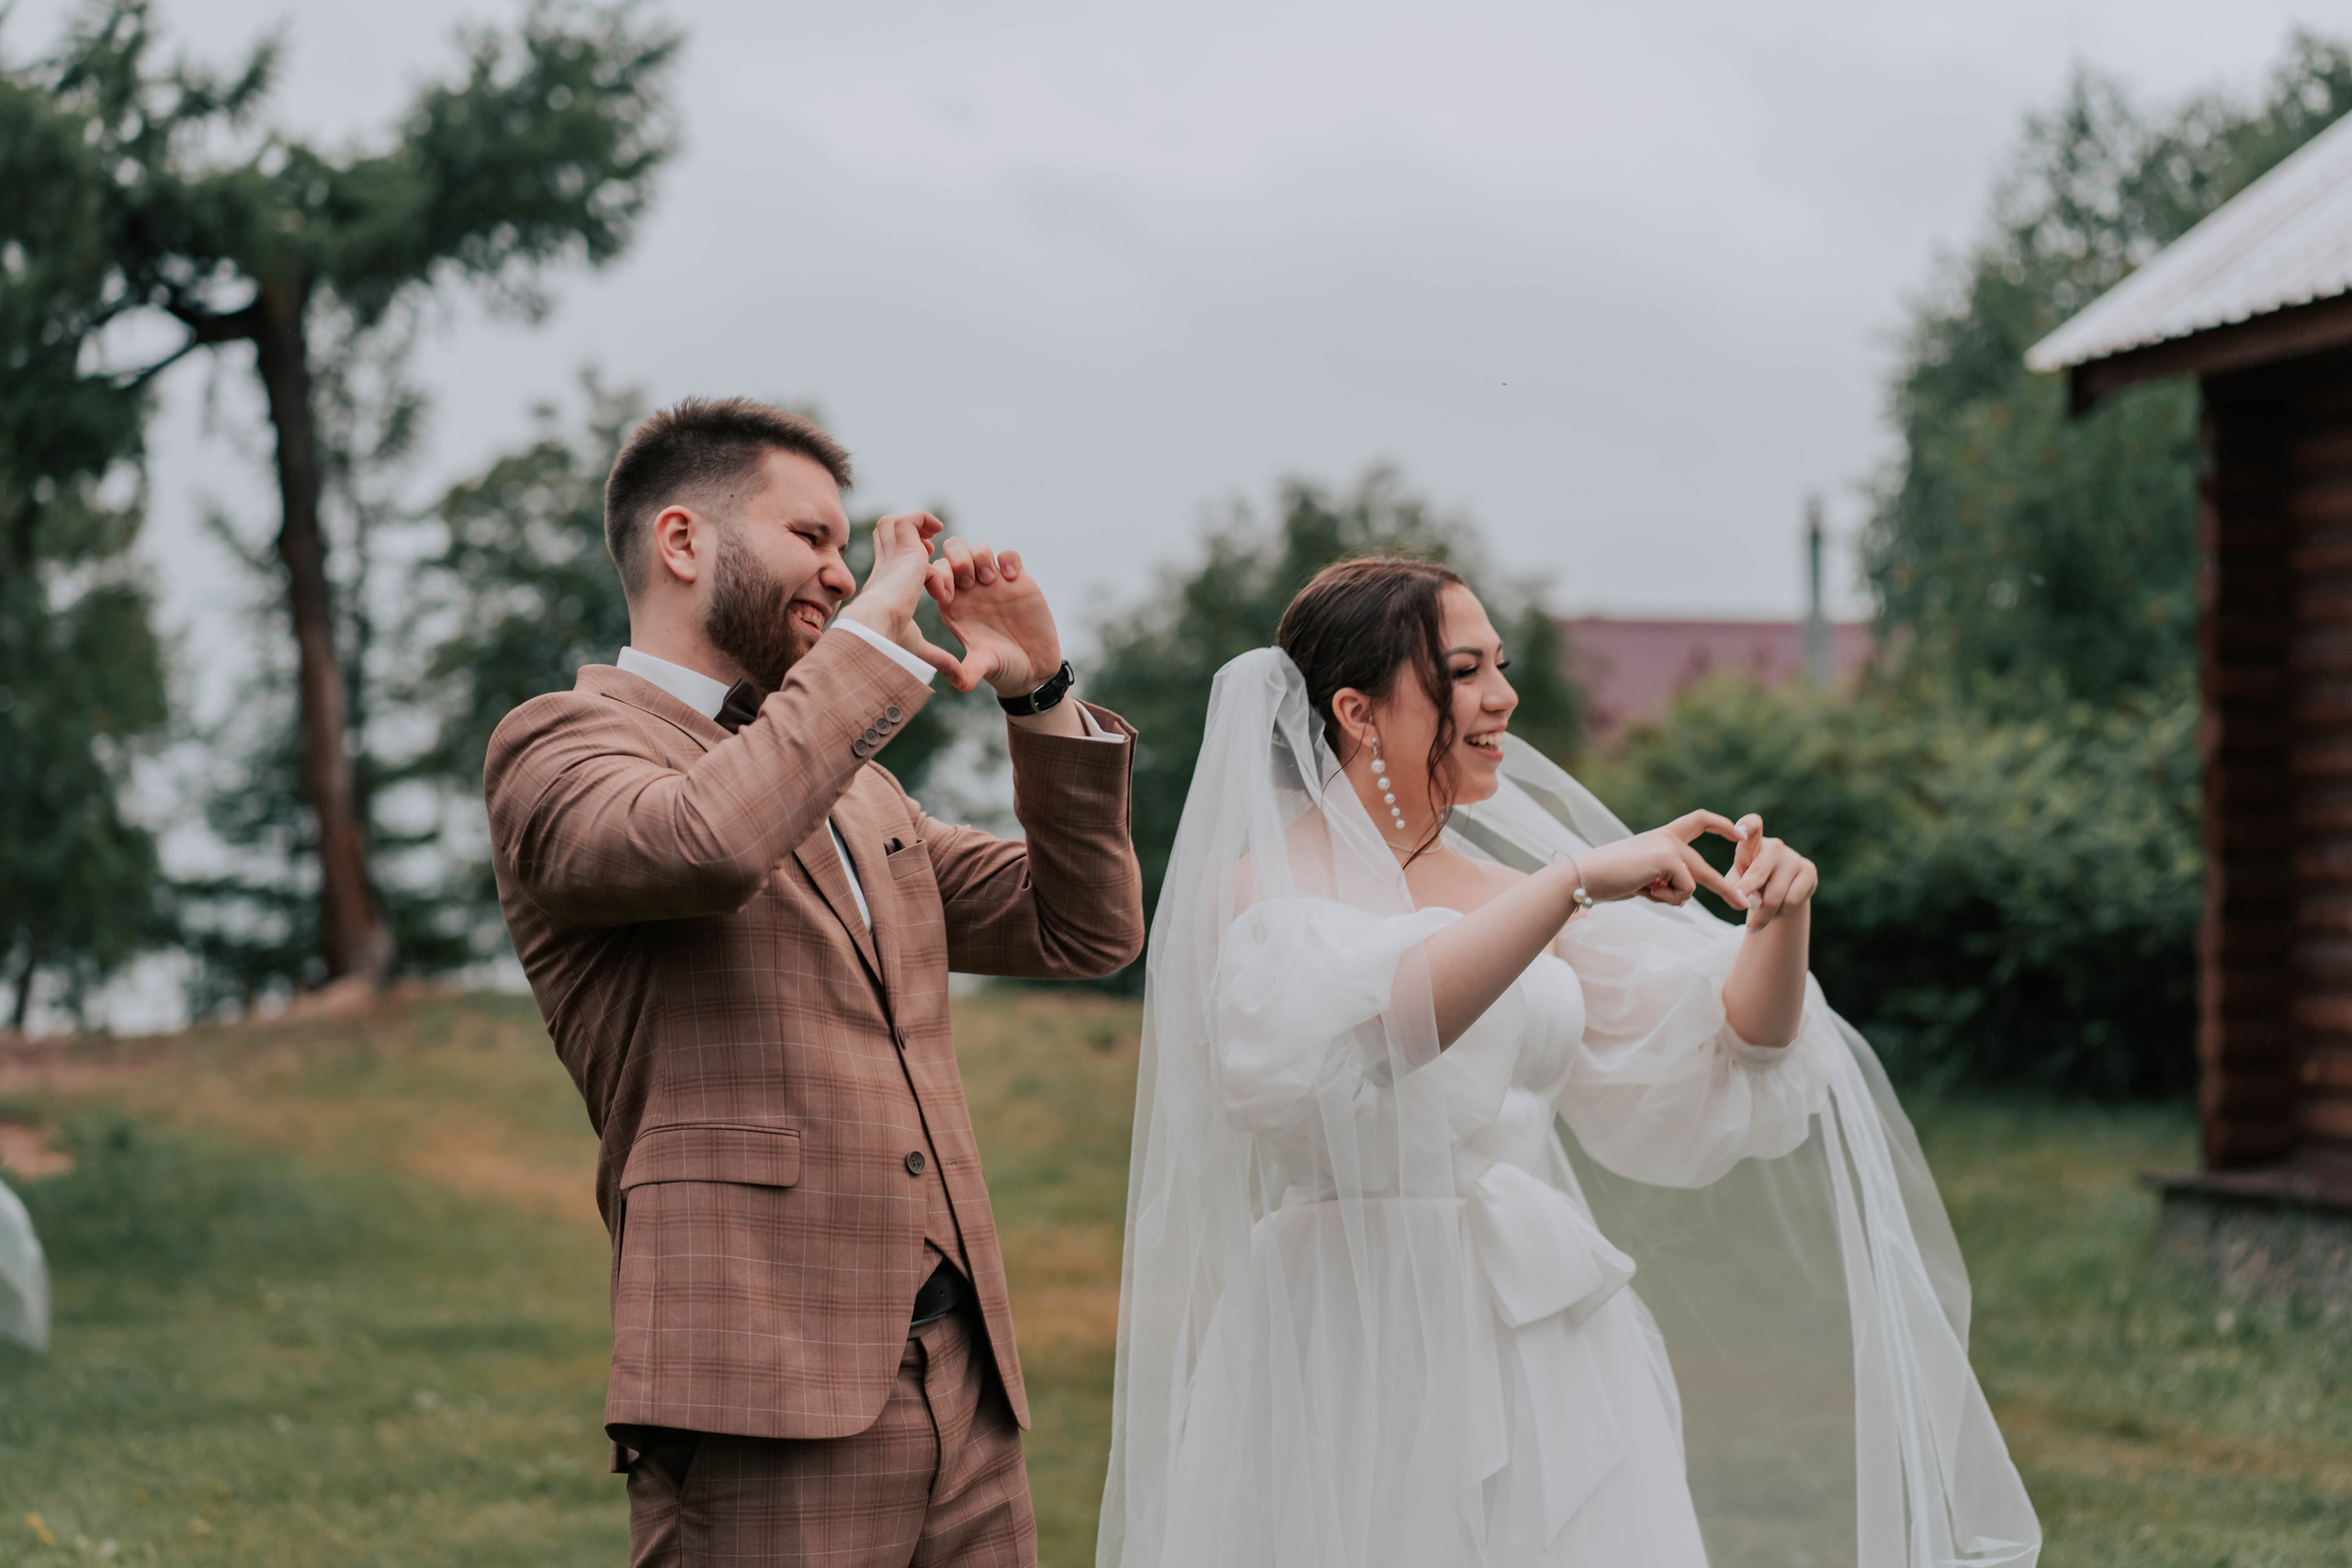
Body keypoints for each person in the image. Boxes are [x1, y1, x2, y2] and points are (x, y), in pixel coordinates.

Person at [1097, 557, 2040, 1568]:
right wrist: (1574, 881)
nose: (1503, 696)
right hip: (1348, 1337)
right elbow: (1390, 1023)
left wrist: (1779, 918)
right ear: (1358, 711)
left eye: (1499, 665)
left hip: (1535, 1324)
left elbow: (1735, 1048)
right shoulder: (1264, 892)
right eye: (1463, 671)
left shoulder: (1515, 889)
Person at [483, 397, 1144, 1567]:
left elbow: (1081, 927)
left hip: (965, 1392)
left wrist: (1037, 696)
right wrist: (872, 654)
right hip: (759, 1394)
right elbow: (706, 841)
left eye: (847, 552)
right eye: (812, 540)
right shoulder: (559, 747)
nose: (842, 578)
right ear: (683, 543)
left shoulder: (859, 793)